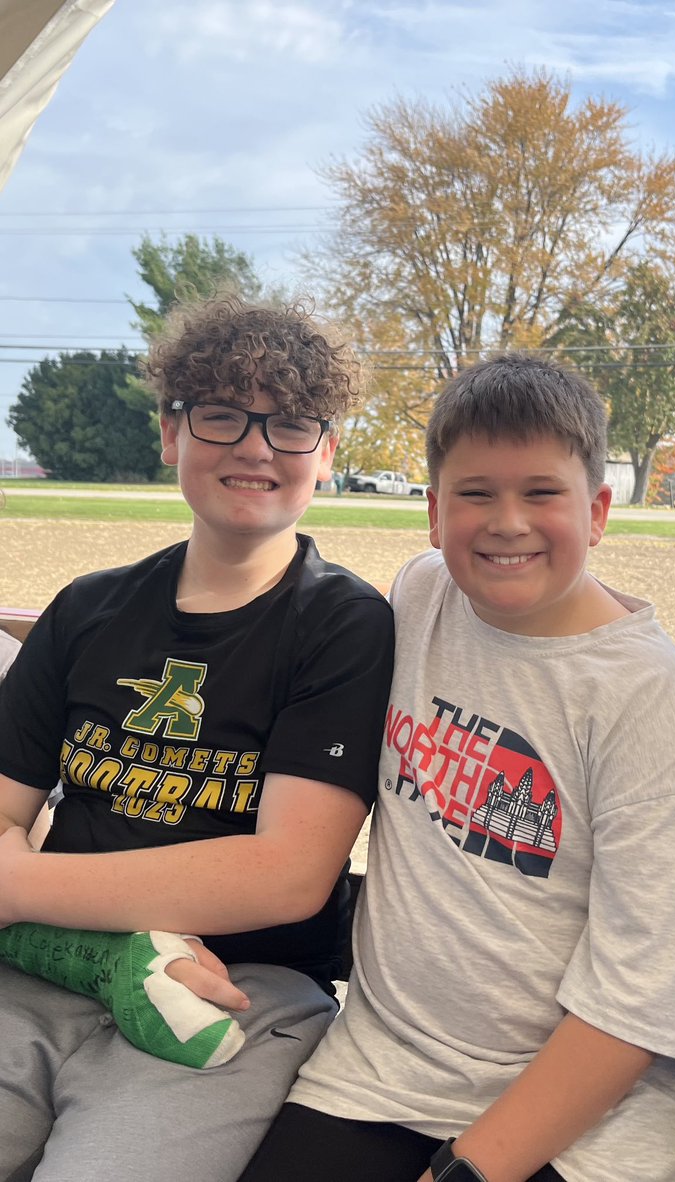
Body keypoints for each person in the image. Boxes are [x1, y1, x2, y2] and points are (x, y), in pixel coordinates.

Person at [240, 353, 675, 1182]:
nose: (507, 521)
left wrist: (472, 1168)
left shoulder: (644, 709)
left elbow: (640, 1007)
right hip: (381, 1072)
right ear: (435, 513)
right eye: (477, 494)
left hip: (586, 1118)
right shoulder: (423, 594)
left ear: (599, 511)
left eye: (541, 493)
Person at [0, 293, 394, 1182]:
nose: (255, 446)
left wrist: (24, 882)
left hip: (236, 997)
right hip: (43, 975)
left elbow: (284, 875)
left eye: (291, 424)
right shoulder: (88, 609)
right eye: (221, 414)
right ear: (172, 433)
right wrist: (98, 947)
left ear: (326, 454)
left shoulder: (341, 625)